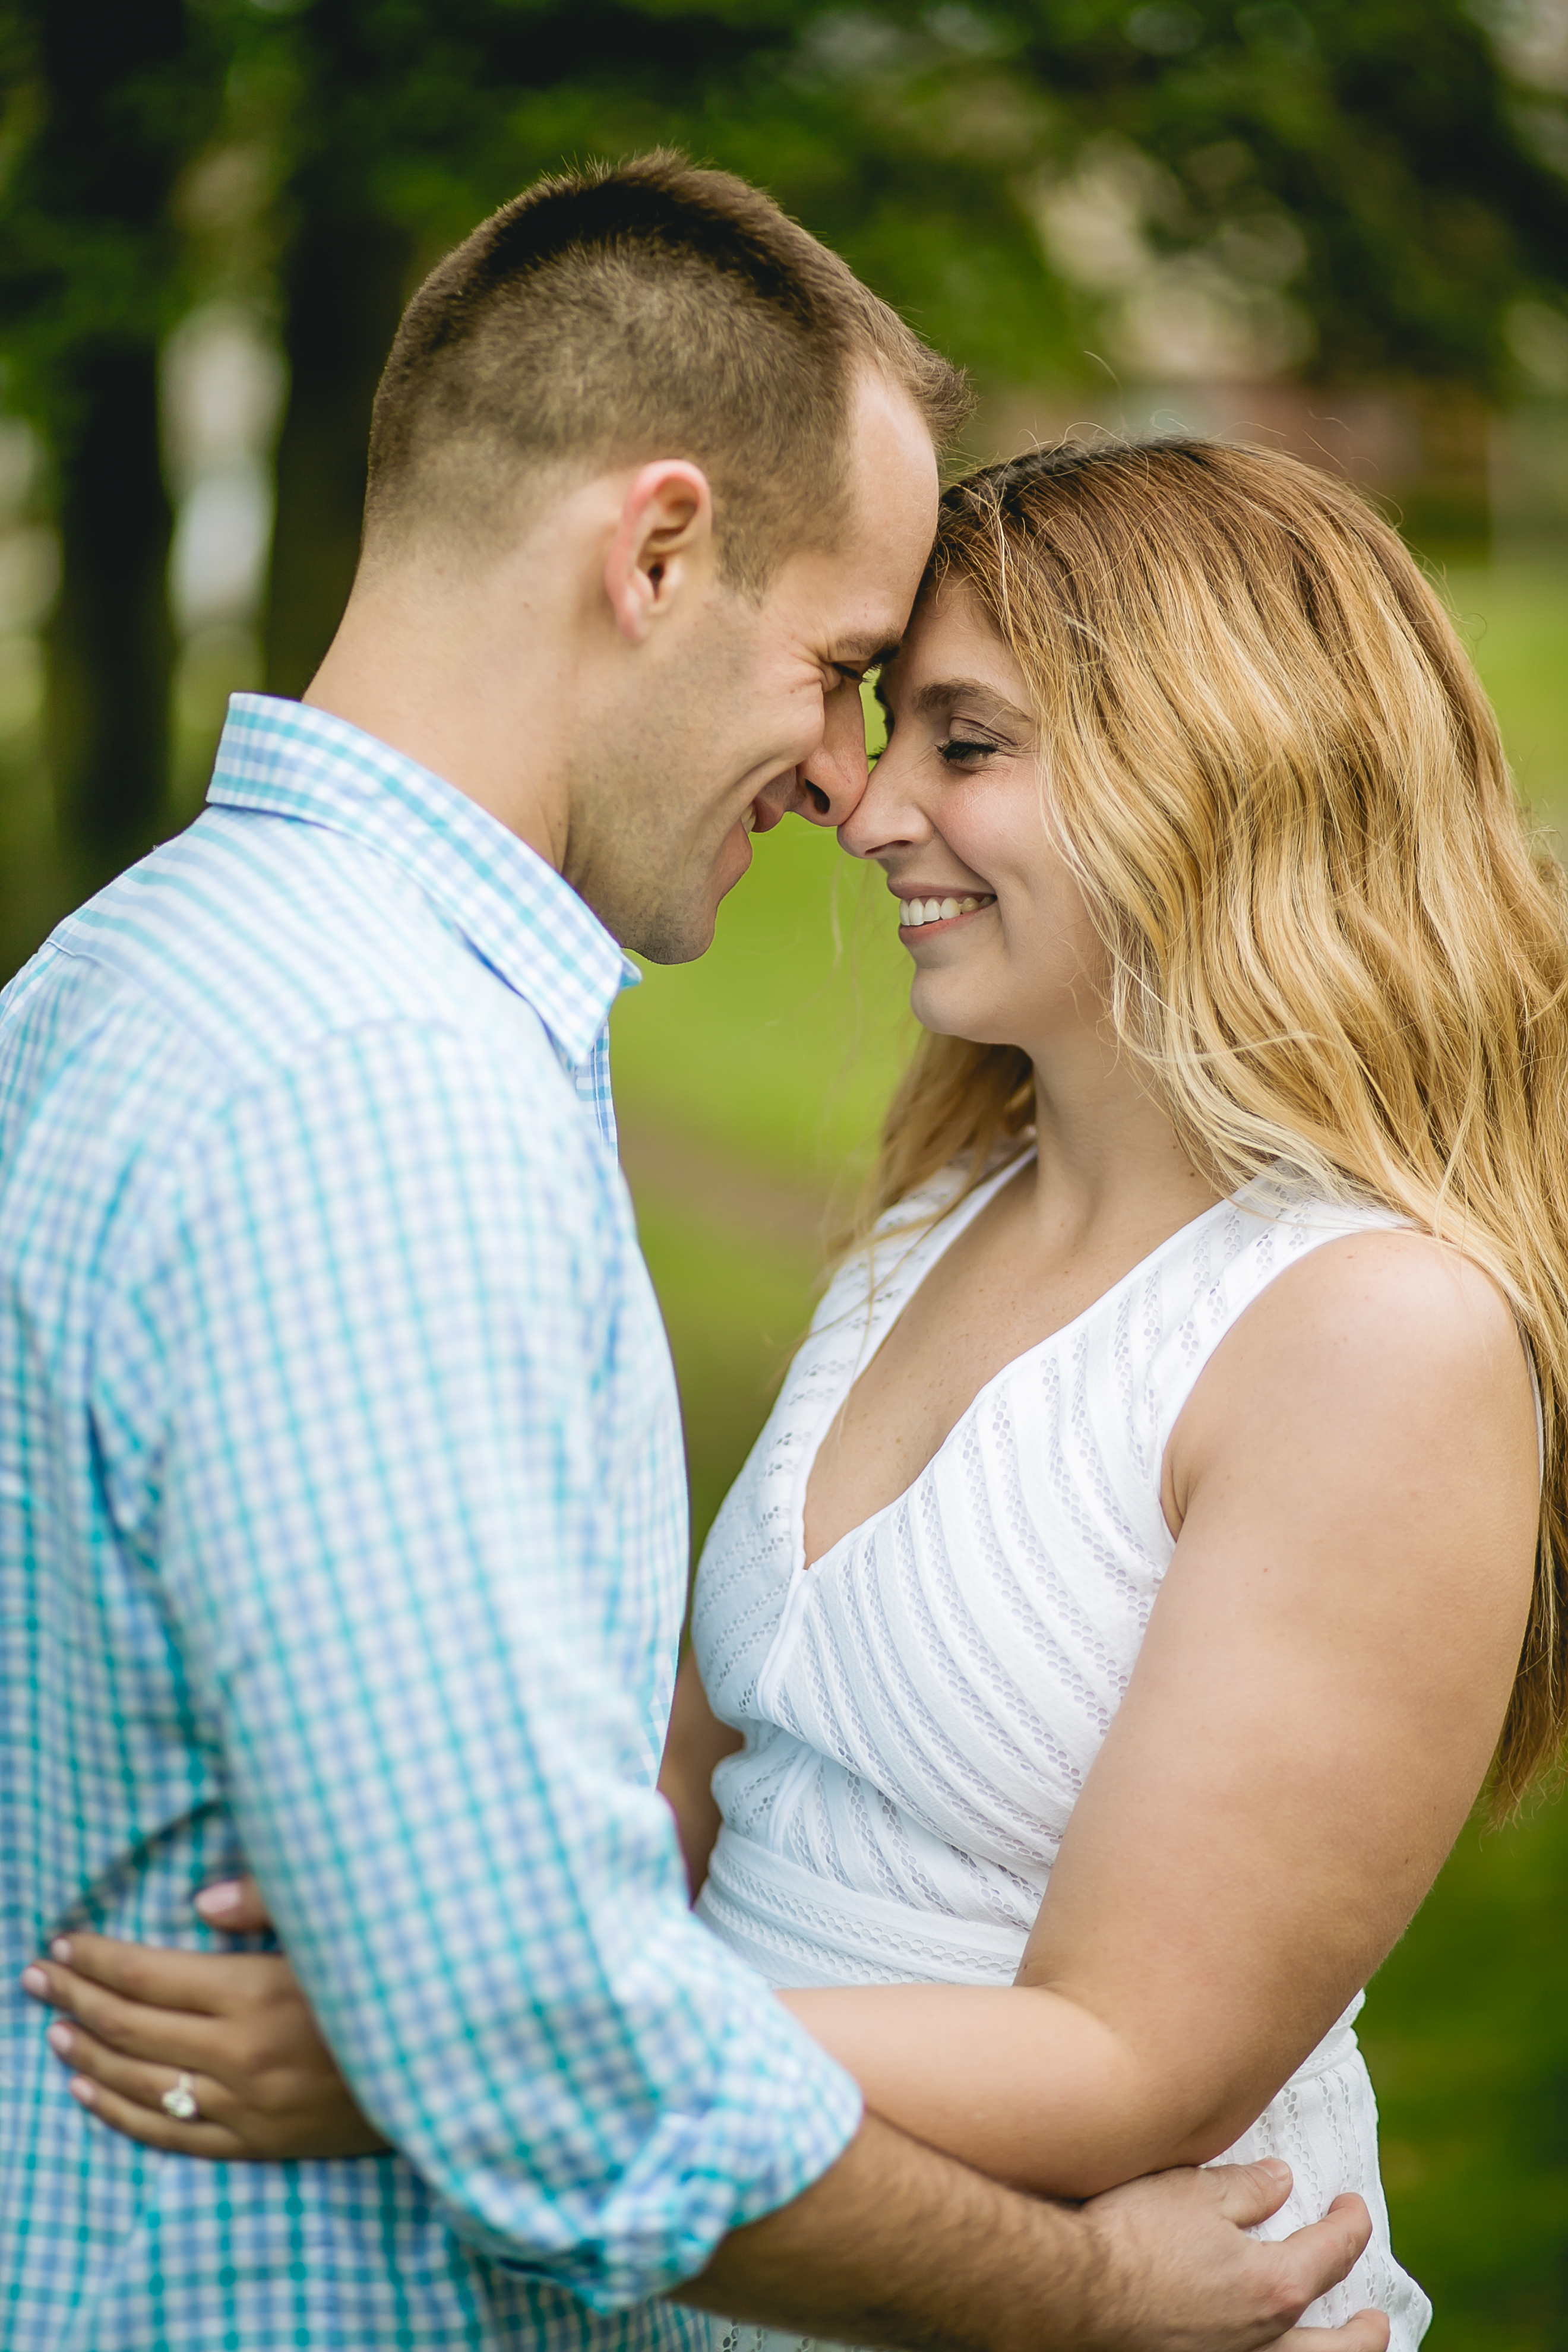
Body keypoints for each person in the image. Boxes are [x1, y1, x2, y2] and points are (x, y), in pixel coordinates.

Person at [0, 158, 1381, 2352]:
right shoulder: (384, 1085)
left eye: (941, 724)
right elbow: (531, 2043)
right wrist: (1088, 2300)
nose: (846, 785)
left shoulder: (143, 960)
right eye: (845, 670)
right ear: (654, 552)